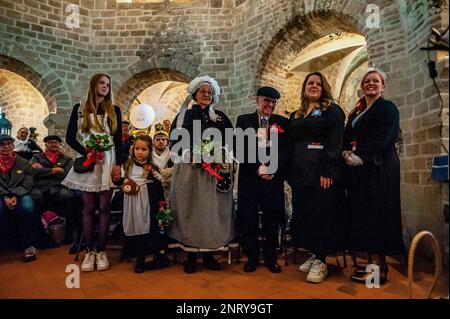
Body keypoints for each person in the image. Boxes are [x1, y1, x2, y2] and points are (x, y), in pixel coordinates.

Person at [168, 76, 236, 274]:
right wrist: (188, 153)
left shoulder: (221, 117)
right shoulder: (184, 116)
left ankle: (208, 254)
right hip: (190, 170)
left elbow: (232, 141)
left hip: (214, 171)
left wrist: (221, 153)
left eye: (209, 92)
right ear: (194, 95)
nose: (206, 94)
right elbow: (174, 140)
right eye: (202, 91)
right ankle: (190, 254)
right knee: (191, 210)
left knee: (210, 211)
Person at [342, 68, 404, 284]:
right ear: (362, 86)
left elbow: (386, 137)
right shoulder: (356, 113)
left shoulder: (388, 108)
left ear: (382, 86)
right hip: (359, 172)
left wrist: (363, 158)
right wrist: (346, 152)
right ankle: (371, 265)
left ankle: (380, 268)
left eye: (375, 81)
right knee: (364, 217)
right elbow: (347, 137)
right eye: (367, 81)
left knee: (378, 216)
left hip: (381, 169)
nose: (371, 83)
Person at [288, 72, 346, 283]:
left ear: (324, 88)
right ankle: (315, 253)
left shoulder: (332, 111)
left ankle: (322, 260)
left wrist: (328, 170)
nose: (313, 86)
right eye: (310, 83)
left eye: (318, 84)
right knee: (305, 215)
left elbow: (335, 141)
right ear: (304, 87)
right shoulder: (296, 114)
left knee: (323, 214)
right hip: (300, 173)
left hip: (321, 173)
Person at [62, 73, 123, 272]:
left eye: (108, 84)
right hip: (89, 161)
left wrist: (118, 165)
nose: (105, 86)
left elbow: (119, 140)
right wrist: (87, 152)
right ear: (93, 85)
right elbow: (70, 138)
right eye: (102, 83)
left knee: (105, 208)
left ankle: (101, 251)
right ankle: (89, 251)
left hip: (108, 160)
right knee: (88, 208)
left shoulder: (114, 110)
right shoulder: (79, 109)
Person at [236, 86, 289, 274]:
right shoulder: (244, 121)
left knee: (271, 219)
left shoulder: (282, 122)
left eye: (274, 102)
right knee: (249, 218)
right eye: (267, 100)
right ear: (258, 100)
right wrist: (258, 168)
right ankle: (251, 257)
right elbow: (239, 148)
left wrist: (272, 167)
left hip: (273, 179)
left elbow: (286, 150)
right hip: (250, 179)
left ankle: (271, 257)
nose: (271, 105)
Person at [120, 135, 168, 273]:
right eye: (137, 149)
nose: (139, 152)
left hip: (147, 202)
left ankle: (143, 259)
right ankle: (132, 253)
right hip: (132, 201)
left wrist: (161, 204)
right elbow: (122, 181)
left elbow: (159, 186)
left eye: (144, 149)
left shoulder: (152, 167)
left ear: (149, 150)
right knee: (134, 226)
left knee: (146, 228)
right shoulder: (128, 164)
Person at [30, 135, 78, 244]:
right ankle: (39, 234)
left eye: (56, 142)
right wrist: (54, 170)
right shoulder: (37, 157)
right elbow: (33, 172)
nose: (53, 144)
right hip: (40, 187)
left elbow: (67, 174)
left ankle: (69, 234)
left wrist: (42, 170)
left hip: (59, 187)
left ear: (59, 144)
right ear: (46, 145)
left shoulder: (67, 159)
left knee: (68, 196)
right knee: (35, 197)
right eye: (50, 142)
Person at [0, 134, 41, 262]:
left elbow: (28, 183)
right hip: (1, 195)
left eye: (8, 144)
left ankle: (29, 245)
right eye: (2, 144)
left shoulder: (24, 163)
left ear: (13, 145)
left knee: (28, 208)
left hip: (21, 194)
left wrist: (16, 195)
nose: (6, 147)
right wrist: (5, 196)